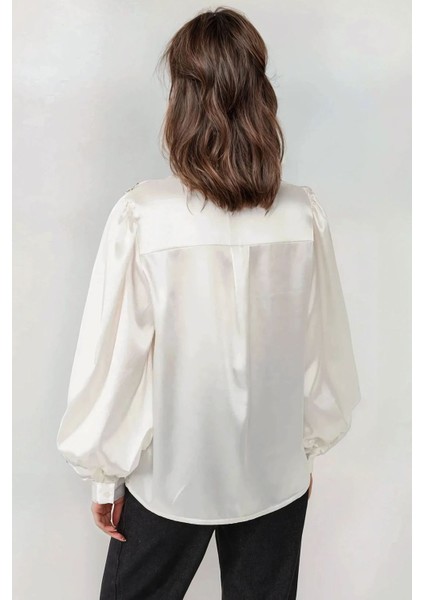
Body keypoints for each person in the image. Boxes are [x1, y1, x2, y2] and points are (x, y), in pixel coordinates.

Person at [56, 6, 361, 599]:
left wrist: (104, 477)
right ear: (260, 96)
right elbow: (321, 349)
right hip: (274, 477)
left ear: (184, 101)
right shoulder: (301, 215)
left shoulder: (144, 215)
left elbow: (116, 361)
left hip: (173, 478)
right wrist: (305, 447)